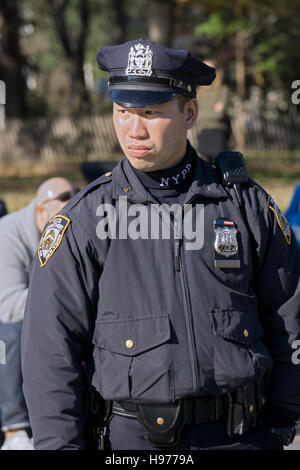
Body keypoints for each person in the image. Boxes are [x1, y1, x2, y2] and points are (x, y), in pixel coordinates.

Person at [21, 38, 300, 450]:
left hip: (243, 437)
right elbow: (50, 353)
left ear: (189, 112)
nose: (133, 130)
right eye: (122, 112)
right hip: (134, 443)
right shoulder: (82, 221)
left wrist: (283, 419)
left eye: (150, 113)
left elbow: (288, 314)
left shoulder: (246, 204)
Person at [0, 177, 76, 450]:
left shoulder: (71, 233)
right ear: (40, 211)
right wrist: (60, 300)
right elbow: (7, 306)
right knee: (9, 336)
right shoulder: (8, 234)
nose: (64, 226)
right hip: (6, 322)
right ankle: (14, 430)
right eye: (59, 218)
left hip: (47, 315)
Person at [195, 59, 232, 162]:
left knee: (220, 164)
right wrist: (212, 112)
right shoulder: (199, 92)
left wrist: (204, 115)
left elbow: (220, 115)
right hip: (202, 131)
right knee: (205, 166)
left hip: (218, 132)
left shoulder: (223, 90)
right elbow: (196, 116)